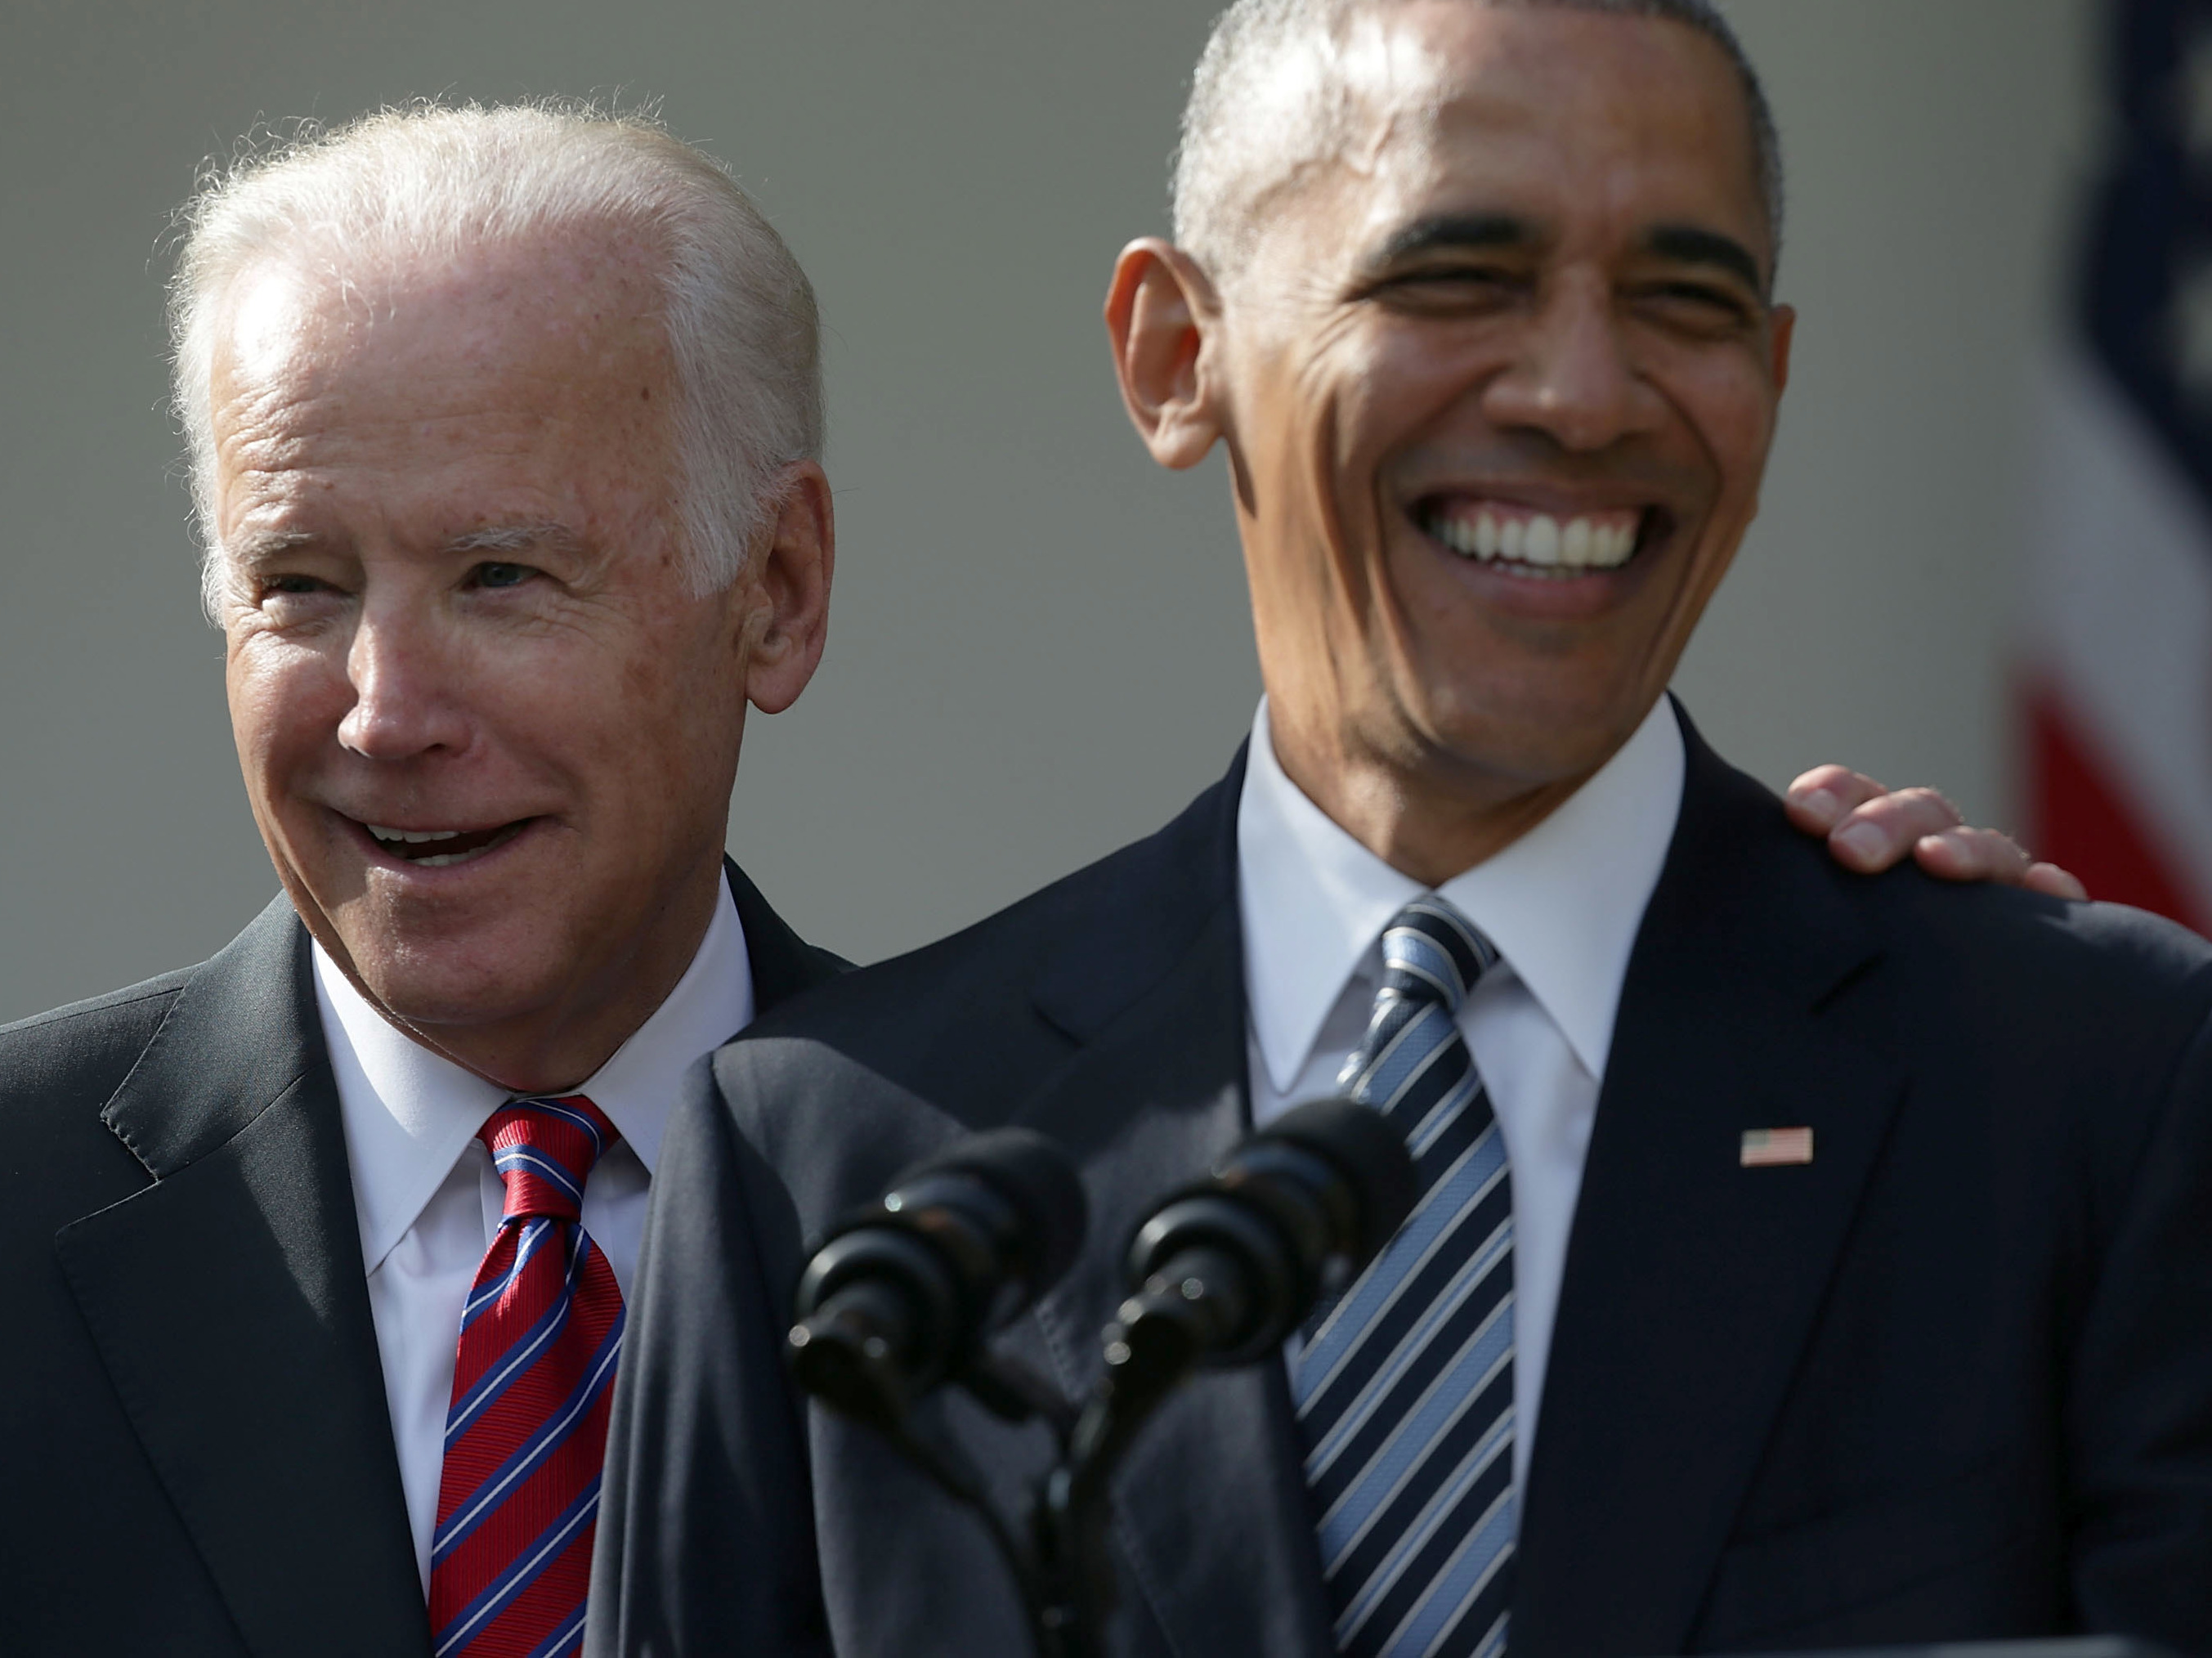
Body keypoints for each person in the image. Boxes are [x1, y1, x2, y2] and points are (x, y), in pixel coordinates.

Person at [595, 4, 2212, 1656]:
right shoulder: (833, 1166)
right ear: (1176, 355)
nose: (1585, 396)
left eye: (1684, 298)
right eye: (1458, 277)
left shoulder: (2086, 1089)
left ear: (1772, 382)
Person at [0, 105, 840, 1658]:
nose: (384, 713)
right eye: (300, 586)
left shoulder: (1062, 1204)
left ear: (776, 593)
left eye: (500, 577)